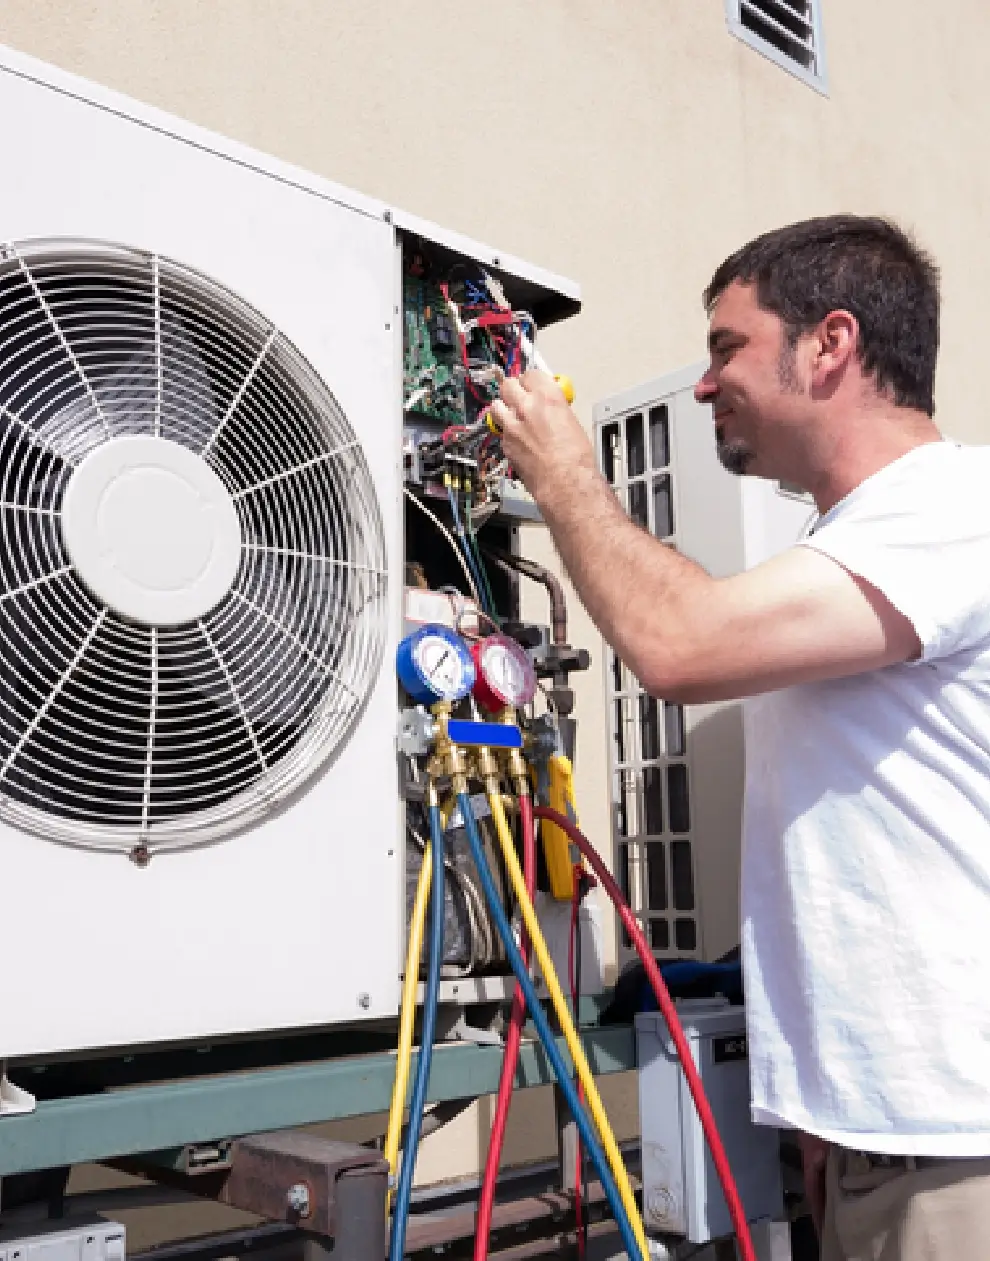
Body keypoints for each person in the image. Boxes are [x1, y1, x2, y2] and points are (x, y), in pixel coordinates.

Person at [490, 214, 990, 1261]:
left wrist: (565, 476)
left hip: (958, 1151)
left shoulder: (951, 507)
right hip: (882, 1136)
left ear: (830, 343)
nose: (706, 382)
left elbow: (677, 643)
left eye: (727, 346)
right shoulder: (857, 544)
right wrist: (826, 1117)